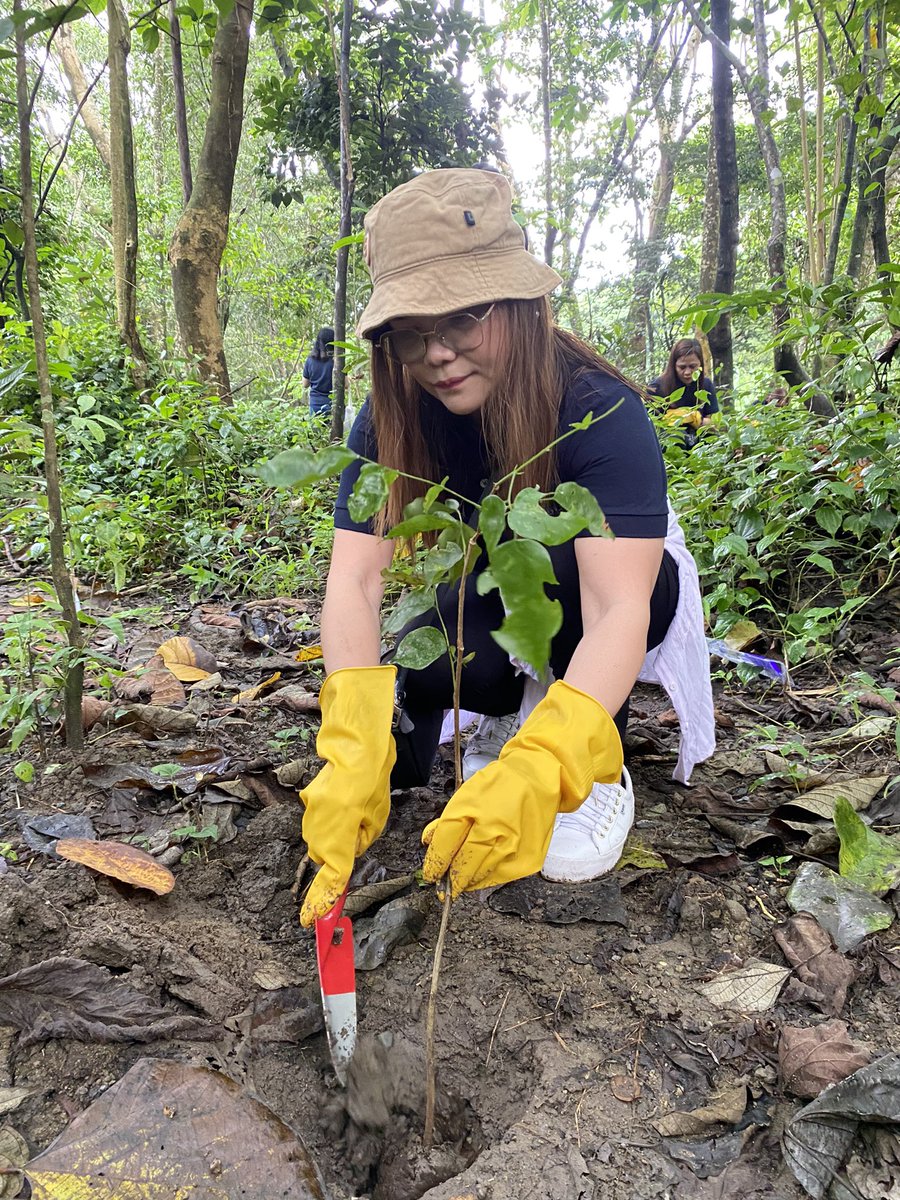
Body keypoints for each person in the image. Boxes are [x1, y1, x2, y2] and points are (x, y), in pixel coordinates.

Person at [298, 168, 715, 927]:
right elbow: (354, 580)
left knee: (557, 565)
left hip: (617, 588)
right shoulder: (389, 419)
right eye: (410, 332)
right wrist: (352, 741)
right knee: (422, 676)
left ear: (519, 304)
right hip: (498, 586)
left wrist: (547, 765)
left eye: (463, 318)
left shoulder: (595, 407)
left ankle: (594, 759)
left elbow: (621, 602)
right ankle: (510, 712)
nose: (438, 354)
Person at [648, 338, 719, 448]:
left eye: (692, 367)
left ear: (700, 364)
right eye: (682, 367)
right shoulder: (657, 387)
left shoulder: (706, 385)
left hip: (700, 444)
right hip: (671, 446)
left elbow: (713, 425)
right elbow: (650, 427)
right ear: (674, 365)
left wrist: (695, 418)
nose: (687, 372)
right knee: (677, 437)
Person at [302, 327, 335, 418]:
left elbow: (305, 384)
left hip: (315, 406)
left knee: (316, 432)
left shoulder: (310, 360)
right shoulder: (337, 361)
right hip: (333, 405)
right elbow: (346, 385)